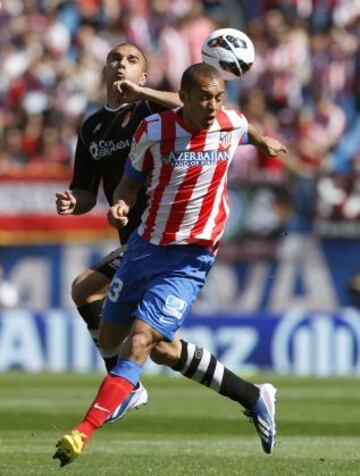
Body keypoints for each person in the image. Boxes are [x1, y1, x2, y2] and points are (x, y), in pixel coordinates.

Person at [53, 63, 287, 466]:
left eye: (218, 97)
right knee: (123, 342)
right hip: (145, 246)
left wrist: (264, 142)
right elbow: (129, 180)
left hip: (190, 257)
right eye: (204, 98)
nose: (213, 106)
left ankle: (82, 431)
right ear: (184, 97)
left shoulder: (230, 122)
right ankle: (254, 395)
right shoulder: (154, 131)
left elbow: (244, 127)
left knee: (140, 342)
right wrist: (123, 203)